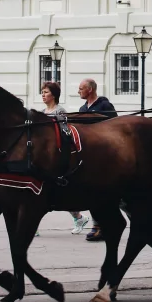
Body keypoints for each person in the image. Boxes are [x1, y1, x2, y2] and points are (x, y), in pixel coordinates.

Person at [41, 82, 87, 233]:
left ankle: (79, 218)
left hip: (57, 152)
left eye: (46, 92)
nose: (43, 94)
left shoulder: (59, 111)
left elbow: (64, 132)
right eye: (42, 92)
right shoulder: (43, 111)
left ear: (53, 95)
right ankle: (79, 218)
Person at [77, 79, 117, 241]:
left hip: (103, 153)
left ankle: (101, 225)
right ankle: (97, 224)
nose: (78, 91)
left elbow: (115, 126)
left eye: (81, 88)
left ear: (90, 90)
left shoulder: (105, 106)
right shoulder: (82, 108)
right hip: (88, 154)